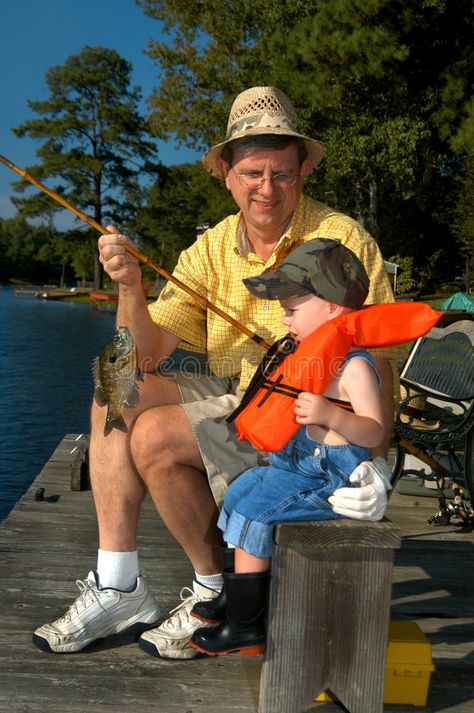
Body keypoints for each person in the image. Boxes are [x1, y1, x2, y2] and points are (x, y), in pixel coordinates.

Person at [32, 86, 395, 659]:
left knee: (152, 435)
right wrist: (131, 288)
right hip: (240, 400)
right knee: (115, 389)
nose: (267, 189)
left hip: (308, 426)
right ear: (226, 173)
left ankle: (214, 589)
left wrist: (371, 463)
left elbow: (379, 366)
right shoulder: (208, 250)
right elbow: (143, 354)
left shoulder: (343, 240)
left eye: (282, 173)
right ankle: (118, 584)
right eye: (253, 172)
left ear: (302, 171)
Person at [189, 238, 385, 657]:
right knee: (238, 492)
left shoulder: (355, 368)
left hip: (325, 481)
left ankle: (246, 624)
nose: (284, 317)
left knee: (255, 515)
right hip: (288, 469)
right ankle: (236, 595)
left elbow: (372, 431)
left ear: (332, 308)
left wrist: (332, 417)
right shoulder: (305, 356)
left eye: (292, 309)